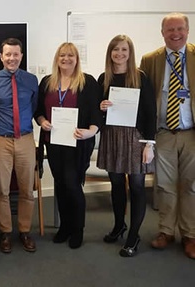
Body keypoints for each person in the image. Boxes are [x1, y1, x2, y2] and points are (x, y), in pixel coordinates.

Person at [34, 42, 102, 249]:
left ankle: (77, 229)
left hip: (77, 144)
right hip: (54, 143)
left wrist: (91, 131)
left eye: (70, 55)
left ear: (76, 59)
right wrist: (42, 121)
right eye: (62, 55)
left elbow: (95, 114)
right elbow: (38, 111)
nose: (66, 59)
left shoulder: (87, 82)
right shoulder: (47, 82)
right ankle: (64, 226)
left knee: (73, 185)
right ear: (57, 58)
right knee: (60, 185)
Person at [140, 12, 195, 259]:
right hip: (162, 132)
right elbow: (142, 95)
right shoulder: (150, 59)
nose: (175, 34)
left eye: (180, 29)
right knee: (165, 186)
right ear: (162, 33)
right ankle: (166, 231)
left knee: (192, 186)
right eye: (170, 29)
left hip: (191, 132)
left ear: (188, 30)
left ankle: (190, 235)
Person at [97, 35, 156, 257]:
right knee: (116, 183)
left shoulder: (141, 78)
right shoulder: (105, 77)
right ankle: (119, 225)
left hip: (135, 138)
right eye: (115, 49)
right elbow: (98, 110)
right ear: (110, 52)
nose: (119, 54)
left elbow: (151, 113)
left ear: (130, 53)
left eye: (123, 50)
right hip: (112, 135)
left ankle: (134, 234)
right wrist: (101, 107)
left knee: (138, 185)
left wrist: (149, 144)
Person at [0, 38, 38, 254]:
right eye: (8, 54)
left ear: (21, 56)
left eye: (16, 54)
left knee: (27, 189)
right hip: (0, 140)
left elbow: (33, 107)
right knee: (2, 189)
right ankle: (5, 232)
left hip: (25, 139)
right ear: (1, 57)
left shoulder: (31, 80)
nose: (12, 58)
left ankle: (24, 231)